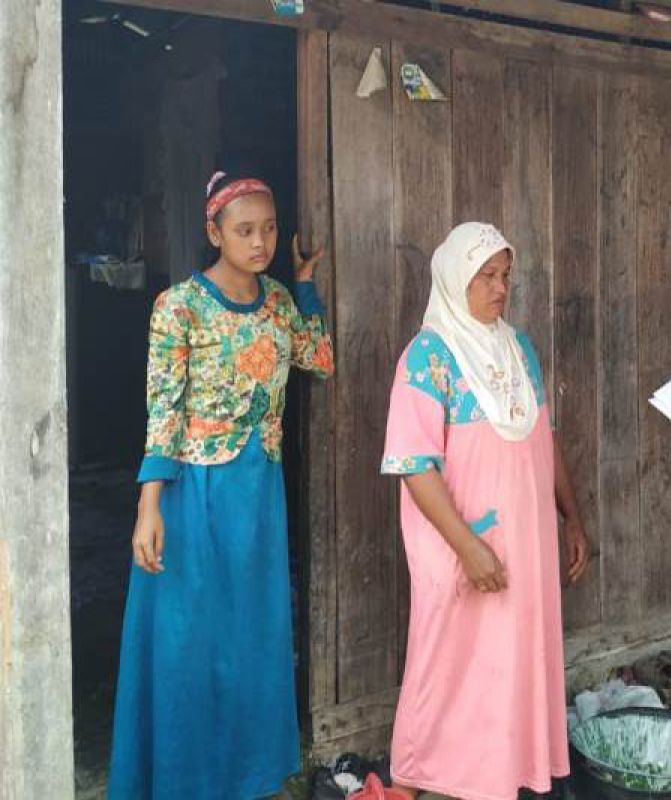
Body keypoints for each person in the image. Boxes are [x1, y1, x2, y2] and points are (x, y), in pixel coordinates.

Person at [108, 170, 334, 798]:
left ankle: (243, 774)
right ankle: (183, 778)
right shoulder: (178, 306)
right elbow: (164, 409)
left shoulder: (279, 304)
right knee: (188, 639)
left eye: (267, 229)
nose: (259, 242)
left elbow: (320, 359)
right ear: (214, 232)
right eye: (244, 231)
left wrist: (306, 286)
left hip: (257, 493)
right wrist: (148, 506)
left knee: (248, 635)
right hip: (192, 493)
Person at [380, 222, 591, 799]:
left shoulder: (517, 345)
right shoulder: (427, 357)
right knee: (450, 655)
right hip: (464, 538)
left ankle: (504, 769)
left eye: (505, 276)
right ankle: (427, 773)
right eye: (486, 276)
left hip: (525, 536)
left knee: (512, 653)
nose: (500, 288)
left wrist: (572, 517)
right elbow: (413, 464)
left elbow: (543, 437)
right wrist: (468, 546)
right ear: (454, 279)